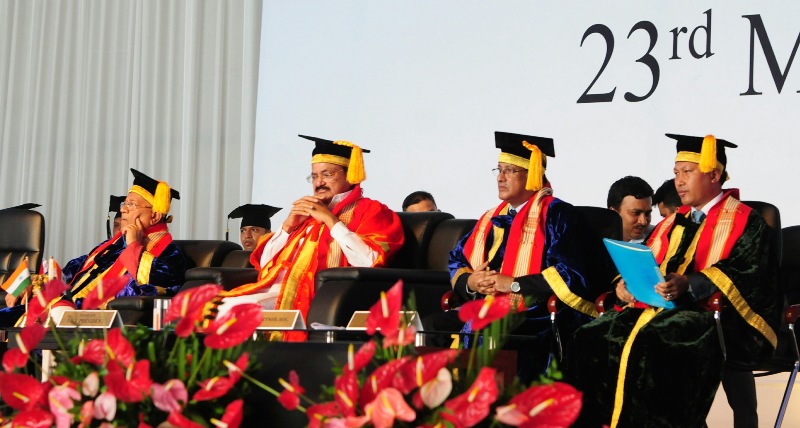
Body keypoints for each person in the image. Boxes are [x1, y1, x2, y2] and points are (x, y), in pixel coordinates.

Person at [570, 134, 779, 427]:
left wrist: (689, 284)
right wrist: (623, 284)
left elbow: (749, 271)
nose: (679, 181)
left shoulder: (746, 219)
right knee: (590, 336)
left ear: (714, 174)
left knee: (654, 340)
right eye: (676, 173)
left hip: (718, 317)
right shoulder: (672, 221)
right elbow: (646, 260)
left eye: (687, 172)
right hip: (662, 311)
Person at [440, 131, 614, 380]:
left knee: (489, 327)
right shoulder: (492, 217)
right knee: (433, 326)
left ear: (532, 174)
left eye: (510, 171)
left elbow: (571, 274)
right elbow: (458, 258)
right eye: (498, 170)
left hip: (538, 311)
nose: (500, 178)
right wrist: (471, 281)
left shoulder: (558, 216)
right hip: (487, 306)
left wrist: (512, 283)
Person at [219, 135, 405, 341]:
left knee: (232, 314)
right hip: (278, 290)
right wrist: (288, 225)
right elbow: (264, 264)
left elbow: (371, 261)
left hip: (321, 295)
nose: (319, 183)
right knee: (206, 308)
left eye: (327, 174)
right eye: (314, 176)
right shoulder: (306, 214)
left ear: (350, 176)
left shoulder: (371, 210)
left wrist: (331, 221)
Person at [0, 169, 190, 326]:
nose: (123, 209)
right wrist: (34, 284)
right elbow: (70, 272)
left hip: (91, 319)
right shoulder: (111, 245)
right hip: (64, 307)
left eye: (131, 205)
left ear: (155, 216)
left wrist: (133, 245)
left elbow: (146, 287)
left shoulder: (169, 254)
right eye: (125, 203)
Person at [607, 176, 654, 243]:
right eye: (636, 213)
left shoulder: (662, 240)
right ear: (613, 213)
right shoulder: (590, 242)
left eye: (647, 214)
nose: (643, 222)